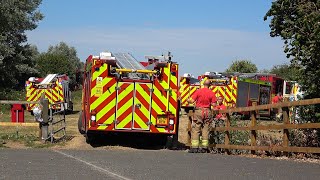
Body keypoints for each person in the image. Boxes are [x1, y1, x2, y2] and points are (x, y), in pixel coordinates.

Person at [187, 79, 216, 153]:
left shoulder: (198, 91)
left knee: (196, 129)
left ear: (203, 84)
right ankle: (204, 148)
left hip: (199, 111)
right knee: (206, 129)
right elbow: (214, 104)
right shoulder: (212, 93)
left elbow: (192, 100)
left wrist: (188, 100)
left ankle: (194, 147)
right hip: (207, 111)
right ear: (210, 85)